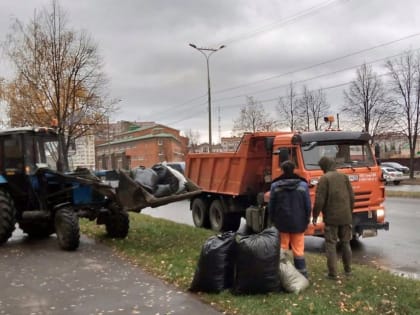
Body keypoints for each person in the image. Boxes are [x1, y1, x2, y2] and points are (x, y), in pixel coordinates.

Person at [312, 156, 355, 280]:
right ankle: (348, 271)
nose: (321, 169)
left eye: (321, 167)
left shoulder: (325, 179)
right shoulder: (344, 177)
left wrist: (315, 215)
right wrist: (349, 213)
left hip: (331, 218)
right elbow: (352, 198)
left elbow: (319, 201)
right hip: (346, 216)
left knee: (331, 244)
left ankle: (333, 274)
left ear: (325, 166)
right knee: (346, 243)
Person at [269, 160, 311, 277]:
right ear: (294, 170)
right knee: (298, 250)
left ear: (282, 170)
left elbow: (271, 205)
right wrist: (306, 219)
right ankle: (302, 275)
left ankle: (283, 276)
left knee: (282, 249)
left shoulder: (275, 186)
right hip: (298, 222)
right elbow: (307, 205)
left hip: (281, 223)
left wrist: (272, 219)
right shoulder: (303, 185)